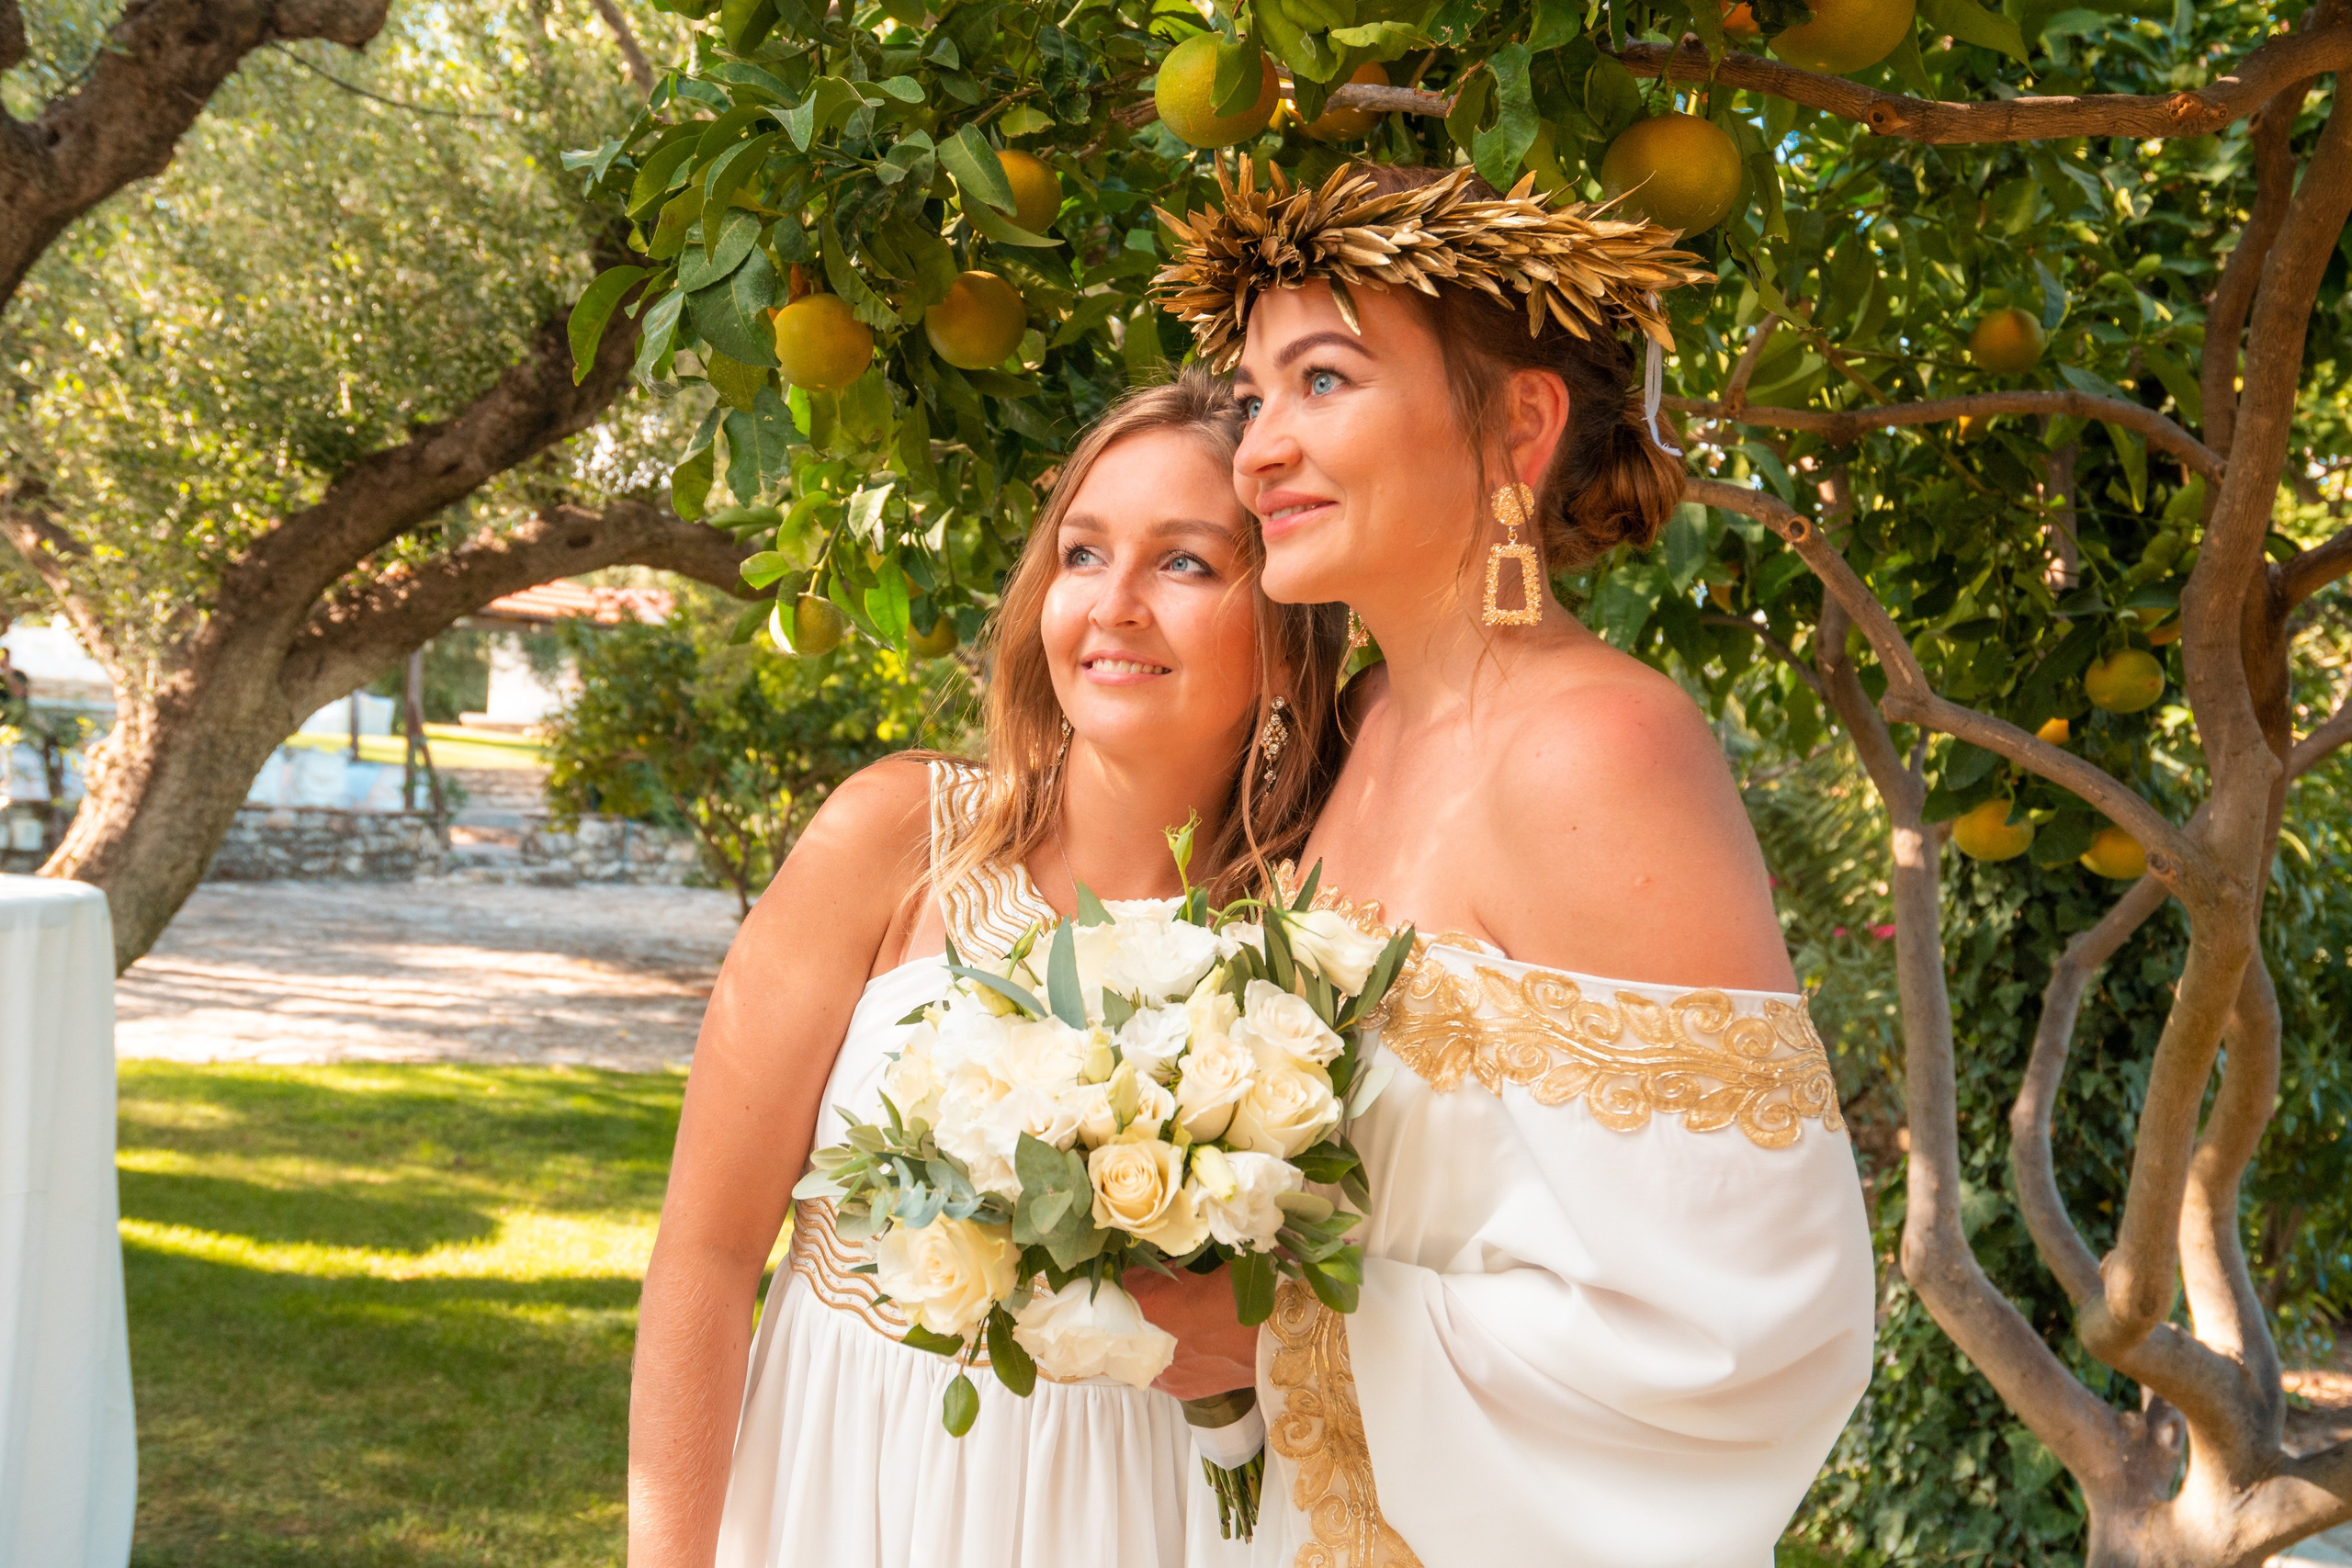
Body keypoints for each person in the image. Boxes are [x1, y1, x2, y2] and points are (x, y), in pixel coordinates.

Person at [1135, 163, 1879, 1566]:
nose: (1257, 452)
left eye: (1323, 382)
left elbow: (1748, 1326)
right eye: (1252, 396)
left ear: (1520, 427)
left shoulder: (1596, 750)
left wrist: (1282, 1333)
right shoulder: (1349, 728)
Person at [628, 365, 1350, 1568]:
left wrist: (1262, 1338)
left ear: (1284, 634)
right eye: (1083, 553)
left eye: (1184, 562)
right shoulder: (896, 838)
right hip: (847, 1485)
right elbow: (705, 1255)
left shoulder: (1312, 941)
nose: (1113, 604)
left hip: (1141, 1515)